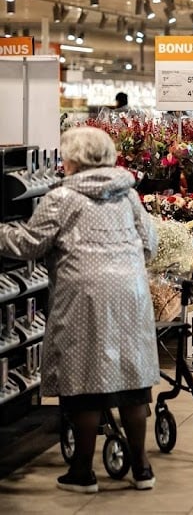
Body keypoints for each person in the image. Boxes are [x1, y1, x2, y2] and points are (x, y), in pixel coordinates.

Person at [0, 126, 159, 493]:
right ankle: (142, 468)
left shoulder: (61, 198)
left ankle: (83, 472)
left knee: (83, 381)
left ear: (74, 159)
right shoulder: (128, 194)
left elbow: (28, 244)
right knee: (134, 383)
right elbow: (148, 242)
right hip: (130, 292)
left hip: (83, 295)